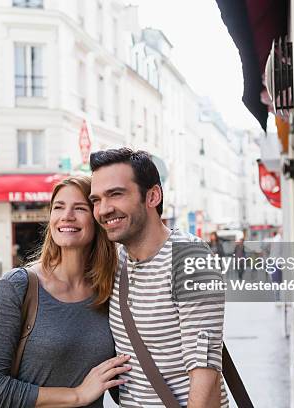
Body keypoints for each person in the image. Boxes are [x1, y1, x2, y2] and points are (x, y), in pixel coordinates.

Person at [0, 176, 130, 408]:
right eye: (58, 207)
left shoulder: (110, 290)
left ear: (96, 219)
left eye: (79, 208)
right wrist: (77, 395)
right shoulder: (17, 286)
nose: (67, 215)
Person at [89, 148, 228, 407]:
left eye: (116, 194)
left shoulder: (189, 258)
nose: (104, 209)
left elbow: (204, 372)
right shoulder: (115, 262)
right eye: (96, 200)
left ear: (152, 196)